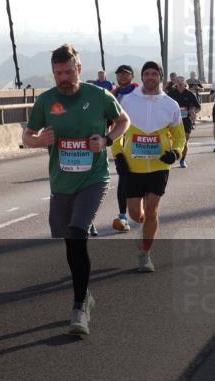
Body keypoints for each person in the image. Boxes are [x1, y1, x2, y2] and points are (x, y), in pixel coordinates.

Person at [23, 44, 129, 336]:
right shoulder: (46, 101)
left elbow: (123, 121)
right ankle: (85, 295)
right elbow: (27, 135)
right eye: (58, 73)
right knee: (67, 238)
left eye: (69, 71)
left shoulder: (98, 96)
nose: (64, 77)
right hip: (61, 182)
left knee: (77, 234)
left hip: (93, 179)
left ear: (79, 69)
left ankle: (80, 305)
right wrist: (38, 140)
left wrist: (106, 141)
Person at [111, 61, 185, 273]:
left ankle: (145, 254)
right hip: (132, 167)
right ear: (142, 77)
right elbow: (117, 130)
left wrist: (176, 153)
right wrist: (118, 156)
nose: (150, 77)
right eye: (147, 74)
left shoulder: (170, 104)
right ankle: (143, 231)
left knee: (152, 211)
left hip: (159, 166)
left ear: (160, 78)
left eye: (154, 74)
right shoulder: (127, 100)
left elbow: (179, 137)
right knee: (136, 214)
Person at [108, 64, 138, 233]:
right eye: (119, 74)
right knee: (123, 179)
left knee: (140, 180)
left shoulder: (140, 93)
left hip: (140, 141)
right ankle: (122, 216)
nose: (122, 77)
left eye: (125, 74)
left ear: (132, 76)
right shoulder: (112, 95)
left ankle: (140, 211)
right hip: (120, 140)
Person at [166, 75, 201, 167]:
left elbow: (198, 107)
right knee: (171, 140)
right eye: (178, 81)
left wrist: (193, 111)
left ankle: (182, 160)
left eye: (181, 81)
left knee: (184, 141)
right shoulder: (171, 94)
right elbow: (164, 106)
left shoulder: (189, 94)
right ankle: (171, 157)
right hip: (173, 121)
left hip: (186, 120)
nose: (180, 83)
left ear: (184, 83)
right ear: (175, 83)